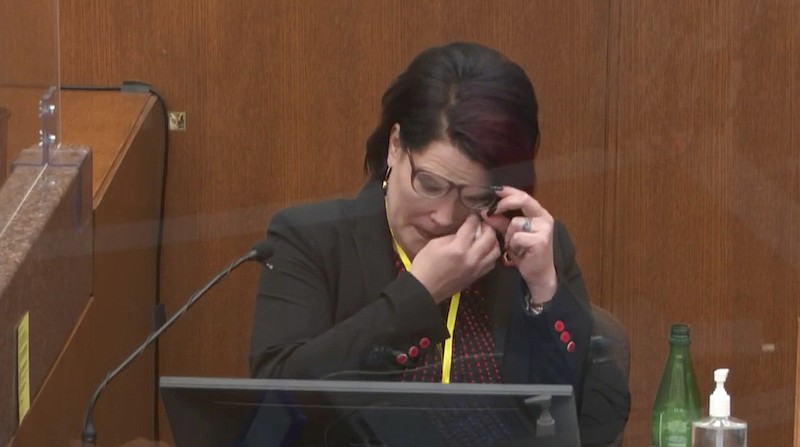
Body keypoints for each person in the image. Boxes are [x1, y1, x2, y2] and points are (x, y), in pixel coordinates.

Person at [250, 42, 629, 446]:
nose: (445, 217)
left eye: (475, 198)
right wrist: (417, 295)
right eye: (430, 184)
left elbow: (601, 420)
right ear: (395, 146)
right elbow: (276, 402)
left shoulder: (528, 249)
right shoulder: (311, 240)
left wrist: (544, 295)